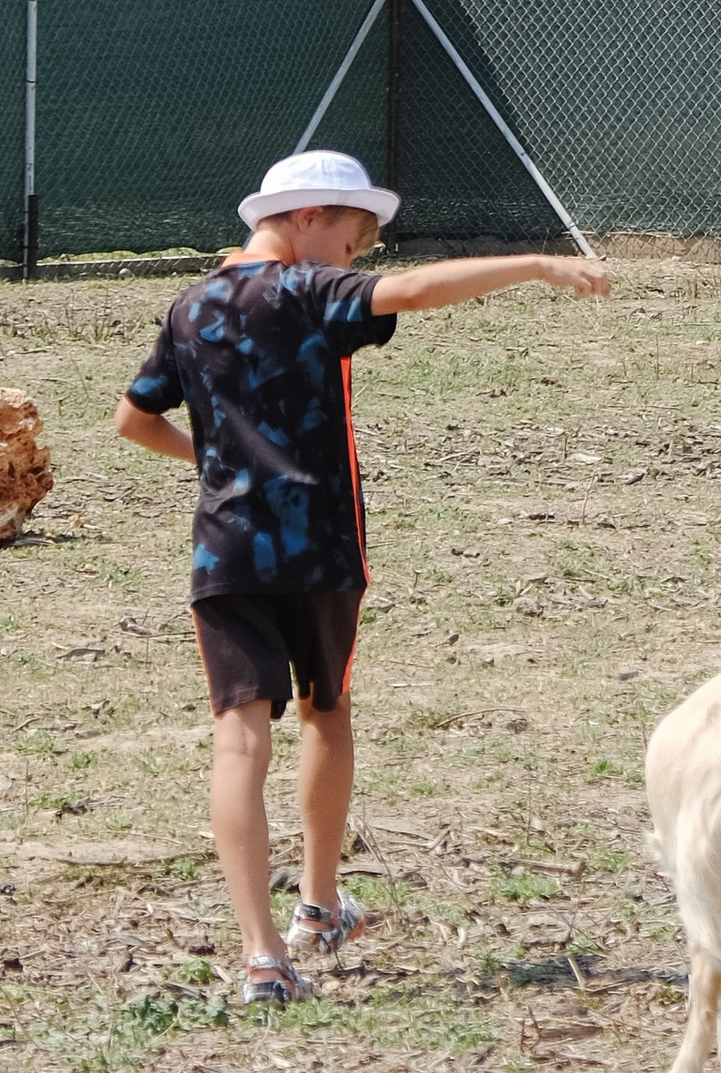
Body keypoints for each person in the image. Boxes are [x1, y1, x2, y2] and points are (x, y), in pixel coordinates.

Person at [114, 146, 611, 1006]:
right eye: (352, 238)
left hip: (225, 552)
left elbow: (132, 418)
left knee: (239, 742)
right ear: (308, 218)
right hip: (320, 552)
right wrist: (535, 264)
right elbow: (415, 293)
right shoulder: (306, 291)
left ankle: (263, 954)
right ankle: (318, 903)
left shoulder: (189, 305)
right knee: (326, 714)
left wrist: (223, 463)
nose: (354, 259)